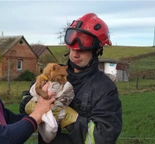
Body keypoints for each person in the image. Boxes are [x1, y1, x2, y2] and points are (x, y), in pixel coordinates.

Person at [20, 13, 122, 144]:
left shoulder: (105, 88)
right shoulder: (54, 73)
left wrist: (66, 116)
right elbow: (24, 100)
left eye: (82, 50)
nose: (75, 54)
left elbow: (104, 136)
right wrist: (35, 103)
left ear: (97, 50)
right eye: (72, 48)